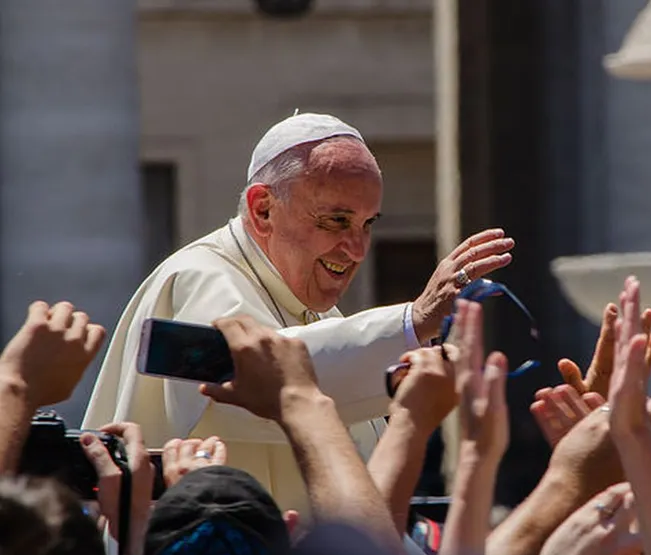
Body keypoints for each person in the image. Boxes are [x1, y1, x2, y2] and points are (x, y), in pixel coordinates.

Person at [82, 112, 514, 512]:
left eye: (367, 224)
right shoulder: (198, 278)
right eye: (336, 221)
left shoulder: (322, 318)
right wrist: (412, 321)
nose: (357, 249)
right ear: (263, 209)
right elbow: (261, 378)